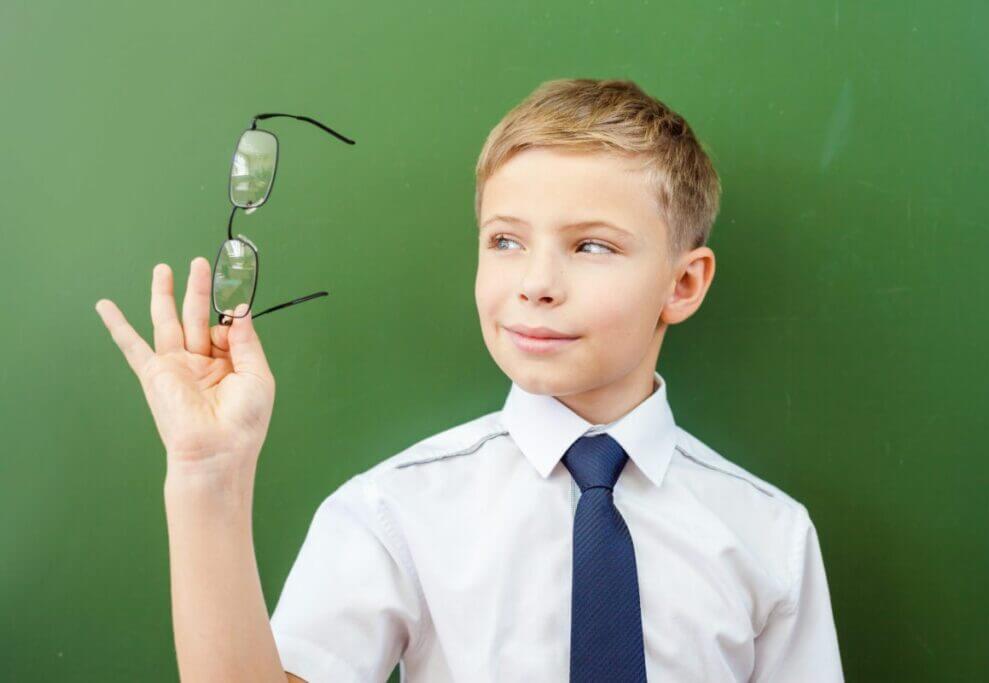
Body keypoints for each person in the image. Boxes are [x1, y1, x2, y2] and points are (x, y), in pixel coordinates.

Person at [95, 78, 844, 682]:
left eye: (591, 245)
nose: (537, 283)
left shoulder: (769, 537)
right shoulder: (393, 511)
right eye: (506, 240)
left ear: (682, 284)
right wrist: (207, 478)